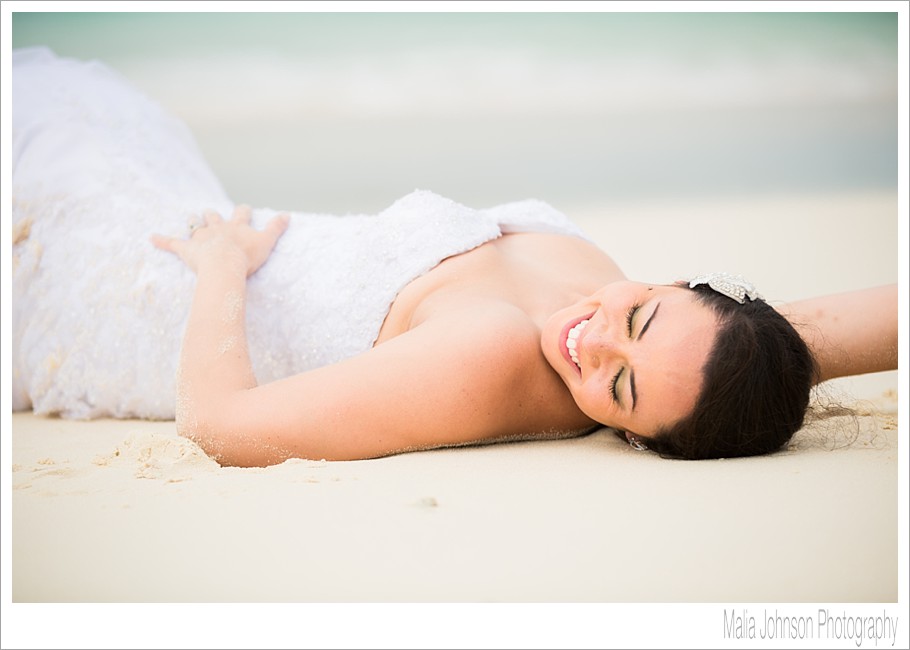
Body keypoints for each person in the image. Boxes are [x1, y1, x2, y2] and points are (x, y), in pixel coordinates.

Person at [12, 48, 898, 467]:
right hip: (198, 222)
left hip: (147, 293)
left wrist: (217, 270)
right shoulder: (714, 353)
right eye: (639, 317)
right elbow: (806, 335)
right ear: (679, 286)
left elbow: (219, 423)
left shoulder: (494, 358)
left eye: (619, 386)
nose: (595, 344)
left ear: (631, 432)